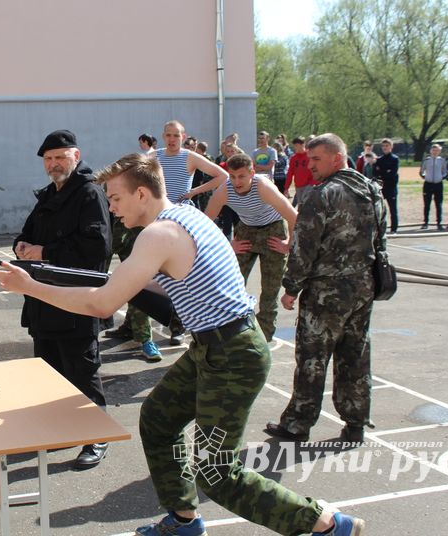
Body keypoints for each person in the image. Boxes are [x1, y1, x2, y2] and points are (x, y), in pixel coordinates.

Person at [0, 152, 365, 536]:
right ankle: (184, 520)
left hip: (233, 353)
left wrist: (30, 286)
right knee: (158, 420)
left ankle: (328, 524)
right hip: (216, 345)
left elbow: (102, 304)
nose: (111, 207)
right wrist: (106, 277)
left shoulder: (158, 234)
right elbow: (151, 282)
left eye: (115, 198)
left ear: (142, 195)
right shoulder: (184, 217)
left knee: (218, 473)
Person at [265, 134, 384, 447]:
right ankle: (355, 423)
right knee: (355, 356)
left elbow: (304, 247)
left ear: (337, 158)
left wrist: (291, 287)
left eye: (316, 159)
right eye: (308, 159)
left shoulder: (323, 194)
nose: (310, 165)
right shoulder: (371, 189)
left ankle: (297, 424)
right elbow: (380, 241)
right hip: (362, 289)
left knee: (312, 358)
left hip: (326, 293)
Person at [13, 129, 112, 468]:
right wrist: (21, 246)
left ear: (76, 156)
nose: (54, 164)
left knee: (83, 371)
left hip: (77, 301)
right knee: (49, 372)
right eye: (49, 159)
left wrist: (47, 251)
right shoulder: (48, 196)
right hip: (43, 300)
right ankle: (57, 431)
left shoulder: (88, 194)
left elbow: (97, 248)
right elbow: (27, 232)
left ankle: (96, 435)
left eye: (60, 157)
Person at [205, 153, 297, 341]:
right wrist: (228, 244)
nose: (236, 181)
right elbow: (204, 223)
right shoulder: (225, 190)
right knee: (231, 283)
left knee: (270, 290)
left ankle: (264, 337)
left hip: (273, 230)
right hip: (246, 230)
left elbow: (293, 216)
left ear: (252, 173)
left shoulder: (263, 187)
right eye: (232, 176)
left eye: (241, 176)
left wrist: (289, 244)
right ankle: (232, 329)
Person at [155, 120, 229, 343]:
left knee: (182, 273)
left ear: (183, 136)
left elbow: (222, 176)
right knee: (153, 272)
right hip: (158, 219)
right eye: (168, 135)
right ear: (163, 136)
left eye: (176, 135)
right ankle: (135, 325)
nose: (172, 139)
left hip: (182, 219)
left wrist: (194, 191)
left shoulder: (190, 157)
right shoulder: (154, 156)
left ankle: (180, 327)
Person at [105, 218, 162, 362]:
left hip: (133, 232)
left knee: (138, 287)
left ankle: (145, 339)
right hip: (107, 229)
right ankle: (129, 328)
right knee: (95, 281)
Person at [419, 143, 447, 230]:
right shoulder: (426, 160)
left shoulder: (442, 160)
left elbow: (445, 171)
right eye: (433, 150)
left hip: (438, 184)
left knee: (438, 204)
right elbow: (422, 171)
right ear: (431, 151)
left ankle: (439, 222)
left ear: (439, 151)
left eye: (437, 150)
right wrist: (425, 176)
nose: (435, 152)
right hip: (428, 184)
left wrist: (441, 177)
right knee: (427, 204)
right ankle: (425, 222)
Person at [374, 138, 399, 234]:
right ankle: (379, 229)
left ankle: (394, 229)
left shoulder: (394, 159)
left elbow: (392, 173)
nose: (385, 148)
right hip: (381, 188)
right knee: (378, 209)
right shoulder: (379, 159)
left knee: (393, 209)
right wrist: (384, 172)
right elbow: (376, 173)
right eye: (383, 146)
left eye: (387, 146)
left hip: (391, 187)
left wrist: (382, 172)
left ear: (391, 147)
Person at [284, 136, 316, 207]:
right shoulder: (293, 158)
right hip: (298, 185)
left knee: (307, 204)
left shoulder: (310, 156)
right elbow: (290, 173)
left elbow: (316, 170)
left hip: (309, 184)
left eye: (297, 146)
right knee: (301, 206)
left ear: (303, 145)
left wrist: (314, 182)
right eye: (294, 146)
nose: (295, 148)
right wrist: (286, 187)